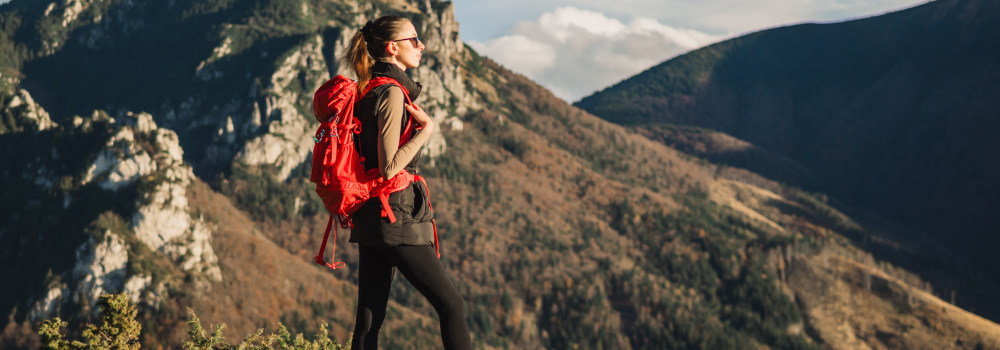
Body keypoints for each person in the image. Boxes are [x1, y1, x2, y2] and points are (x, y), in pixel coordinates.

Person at [342, 16, 473, 350]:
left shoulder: (368, 88)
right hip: (394, 213)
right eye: (414, 40)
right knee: (452, 305)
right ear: (393, 48)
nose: (421, 46)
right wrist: (426, 131)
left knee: (368, 323)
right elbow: (388, 167)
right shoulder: (390, 92)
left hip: (371, 215)